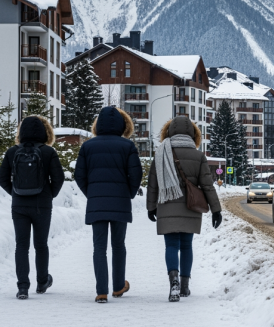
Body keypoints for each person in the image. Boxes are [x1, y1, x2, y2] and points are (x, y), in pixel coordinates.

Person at [147, 116, 222, 302]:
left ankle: (173, 282)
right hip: (191, 207)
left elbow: (153, 184)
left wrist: (151, 207)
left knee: (171, 245)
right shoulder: (198, 156)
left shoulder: (161, 153)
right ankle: (184, 286)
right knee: (187, 246)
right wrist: (216, 210)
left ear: (169, 131)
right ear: (193, 133)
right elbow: (207, 185)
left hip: (167, 204)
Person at [75, 107, 142, 303]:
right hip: (120, 201)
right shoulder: (127, 146)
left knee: (99, 247)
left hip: (97, 202)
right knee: (118, 245)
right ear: (122, 125)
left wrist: (92, 194)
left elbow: (79, 175)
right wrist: (128, 194)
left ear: (98, 124)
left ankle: (101, 292)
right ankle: (119, 286)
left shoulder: (88, 146)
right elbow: (136, 174)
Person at [0, 115, 65, 300]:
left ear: (21, 132)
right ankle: (42, 282)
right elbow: (58, 178)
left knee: (21, 245)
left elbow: (2, 178)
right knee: (41, 245)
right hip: (42, 205)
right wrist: (49, 195)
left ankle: (22, 287)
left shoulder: (12, 152)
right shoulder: (48, 152)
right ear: (45, 132)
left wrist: (16, 193)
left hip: (19, 206)